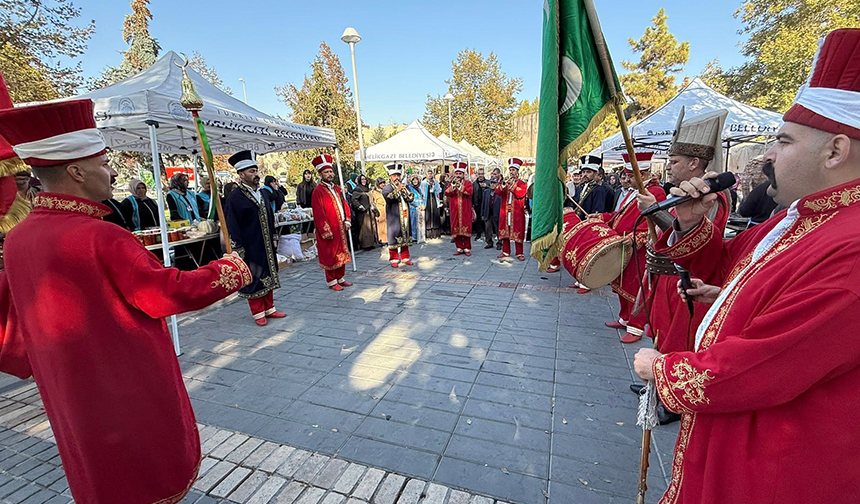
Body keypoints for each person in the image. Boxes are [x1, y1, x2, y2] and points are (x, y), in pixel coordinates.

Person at [633, 28, 860, 503]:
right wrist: (693, 225)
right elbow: (727, 268)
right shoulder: (803, 220)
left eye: (782, 140)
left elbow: (770, 361)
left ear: (836, 150)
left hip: (781, 463)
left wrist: (663, 369)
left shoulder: (851, 243)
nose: (767, 155)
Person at [0, 98, 252, 504]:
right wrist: (229, 269)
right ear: (76, 171)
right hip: (123, 390)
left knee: (99, 476)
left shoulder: (17, 238)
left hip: (71, 394)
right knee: (141, 478)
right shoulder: (101, 236)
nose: (112, 170)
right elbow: (165, 292)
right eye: (103, 162)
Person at [633, 108, 731, 424]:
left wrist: (653, 212)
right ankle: (656, 383)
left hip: (691, 282)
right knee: (661, 336)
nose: (669, 167)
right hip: (667, 277)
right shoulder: (680, 193)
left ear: (694, 164)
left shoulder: (714, 195)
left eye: (675, 162)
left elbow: (696, 241)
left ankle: (672, 400)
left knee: (680, 343)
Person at [594, 151, 666, 343]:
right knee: (622, 283)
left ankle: (636, 327)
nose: (626, 179)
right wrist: (601, 217)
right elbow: (620, 215)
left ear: (641, 175)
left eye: (630, 175)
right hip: (624, 244)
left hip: (639, 249)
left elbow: (654, 222)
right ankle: (625, 318)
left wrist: (637, 238)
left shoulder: (656, 192)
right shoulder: (636, 192)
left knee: (636, 285)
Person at [224, 150, 286, 326]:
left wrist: (274, 235)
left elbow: (270, 214)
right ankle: (258, 312)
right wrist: (238, 247)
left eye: (256, 170)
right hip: (250, 244)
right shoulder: (235, 197)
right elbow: (232, 223)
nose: (256, 174)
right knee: (254, 276)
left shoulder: (263, 193)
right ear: (241, 174)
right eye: (251, 172)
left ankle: (270, 308)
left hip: (265, 242)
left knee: (269, 272)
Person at [311, 154, 353, 290]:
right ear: (320, 174)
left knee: (342, 253)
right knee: (330, 255)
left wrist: (347, 219)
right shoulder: (318, 191)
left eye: (330, 171)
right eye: (326, 172)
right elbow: (318, 213)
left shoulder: (337, 188)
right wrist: (325, 230)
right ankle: (332, 281)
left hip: (340, 226)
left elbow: (344, 204)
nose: (329, 174)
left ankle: (340, 277)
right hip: (329, 229)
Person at [382, 163, 414, 267]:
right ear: (390, 177)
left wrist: (406, 192)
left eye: (398, 175)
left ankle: (405, 257)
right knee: (394, 236)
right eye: (394, 176)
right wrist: (398, 190)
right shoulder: (387, 188)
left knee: (405, 236)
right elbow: (389, 198)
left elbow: (410, 199)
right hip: (394, 217)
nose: (397, 178)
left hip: (405, 215)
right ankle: (394, 259)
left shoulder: (404, 186)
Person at [496, 158, 528, 260]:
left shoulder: (522, 183)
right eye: (510, 170)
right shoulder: (504, 181)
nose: (511, 172)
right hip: (505, 211)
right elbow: (497, 192)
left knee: (518, 231)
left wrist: (512, 186)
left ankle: (519, 253)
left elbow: (521, 193)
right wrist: (503, 185)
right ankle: (505, 251)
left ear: (517, 171)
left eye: (513, 170)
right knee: (505, 231)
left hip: (516, 211)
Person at [445, 162, 474, 256]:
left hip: (465, 209)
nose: (458, 175)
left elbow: (469, 192)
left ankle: (466, 247)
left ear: (463, 174)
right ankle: (459, 247)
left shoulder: (468, 183)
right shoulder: (451, 184)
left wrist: (460, 186)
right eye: (456, 173)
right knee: (455, 227)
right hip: (455, 210)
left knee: (466, 227)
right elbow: (446, 193)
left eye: (460, 174)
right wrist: (453, 186)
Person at [350, 174, 377, 250]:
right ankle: (365, 245)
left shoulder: (367, 189)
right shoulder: (358, 189)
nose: (364, 181)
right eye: (362, 179)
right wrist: (360, 206)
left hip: (369, 211)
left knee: (371, 228)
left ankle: (371, 243)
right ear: (359, 181)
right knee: (364, 229)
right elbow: (354, 200)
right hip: (362, 213)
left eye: (364, 179)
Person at [420, 168, 443, 239]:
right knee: (428, 216)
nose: (430, 175)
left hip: (434, 200)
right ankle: (428, 233)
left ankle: (435, 233)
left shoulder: (435, 182)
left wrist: (435, 187)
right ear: (426, 174)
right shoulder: (423, 183)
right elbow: (422, 192)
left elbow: (439, 190)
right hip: (427, 200)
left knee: (435, 215)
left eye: (431, 173)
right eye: (428, 173)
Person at [481, 176, 500, 249]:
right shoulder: (486, 192)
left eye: (494, 183)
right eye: (491, 183)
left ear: (497, 184)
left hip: (496, 213)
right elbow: (483, 203)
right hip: (488, 213)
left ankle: (499, 243)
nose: (492, 184)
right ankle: (489, 242)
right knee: (488, 229)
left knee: (498, 229)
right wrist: (482, 214)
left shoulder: (499, 192)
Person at [472, 167, 490, 241]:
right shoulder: (474, 183)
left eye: (482, 174)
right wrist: (472, 204)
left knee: (486, 220)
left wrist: (486, 187)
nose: (480, 175)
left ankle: (487, 236)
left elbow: (492, 190)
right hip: (477, 203)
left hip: (486, 204)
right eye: (479, 174)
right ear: (477, 174)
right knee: (478, 220)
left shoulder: (488, 182)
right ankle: (478, 234)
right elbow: (472, 194)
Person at [408, 174, 424, 242]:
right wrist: (417, 205)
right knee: (413, 222)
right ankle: (414, 236)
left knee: (420, 222)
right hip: (413, 208)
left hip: (419, 208)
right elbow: (410, 199)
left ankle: (419, 236)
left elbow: (421, 198)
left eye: (416, 179)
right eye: (413, 180)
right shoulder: (409, 188)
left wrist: (422, 204)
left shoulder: (419, 189)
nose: (415, 181)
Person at [371, 177, 387, 244]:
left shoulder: (385, 191)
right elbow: (372, 203)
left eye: (383, 183)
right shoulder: (374, 192)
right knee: (380, 227)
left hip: (386, 210)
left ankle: (387, 240)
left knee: (386, 226)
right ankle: (381, 240)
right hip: (379, 211)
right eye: (381, 183)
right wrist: (375, 212)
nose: (382, 184)